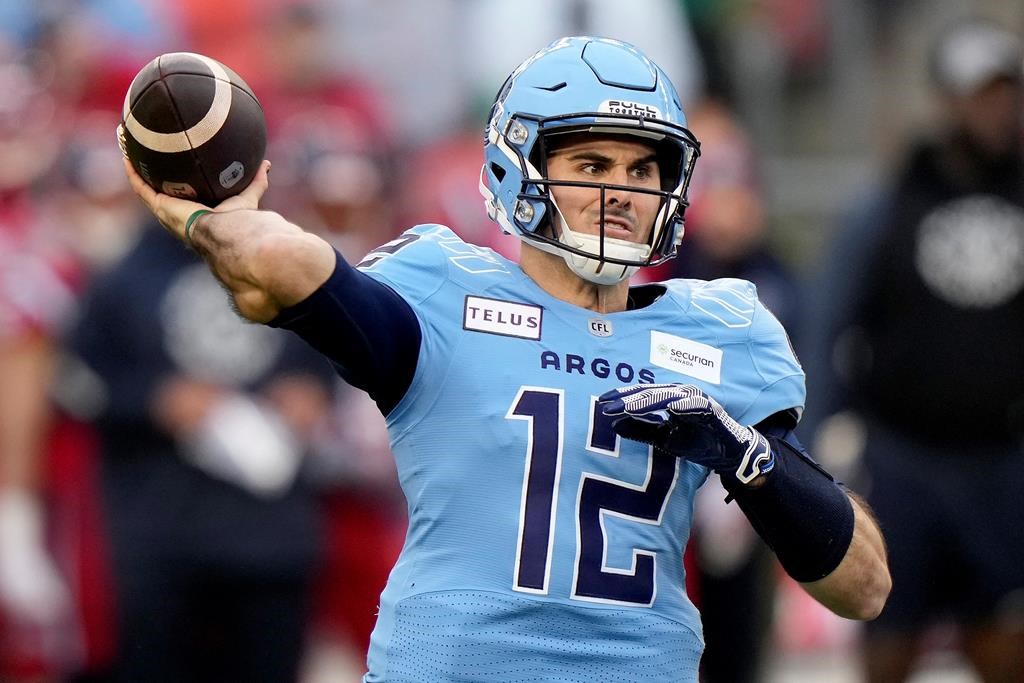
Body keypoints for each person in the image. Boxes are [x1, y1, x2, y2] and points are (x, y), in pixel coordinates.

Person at [122, 36, 890, 681]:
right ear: (514, 171)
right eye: (591, 166)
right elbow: (283, 270)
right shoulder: (442, 291)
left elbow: (864, 587)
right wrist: (217, 223)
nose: (622, 191)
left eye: (642, 168)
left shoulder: (724, 328)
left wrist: (750, 457)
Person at [803, 18, 1024, 682]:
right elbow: (831, 316)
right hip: (904, 459)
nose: (998, 110)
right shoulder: (890, 202)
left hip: (1001, 460)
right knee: (889, 636)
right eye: (981, 94)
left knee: (1004, 640)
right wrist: (811, 440)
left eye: (1007, 93)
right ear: (947, 101)